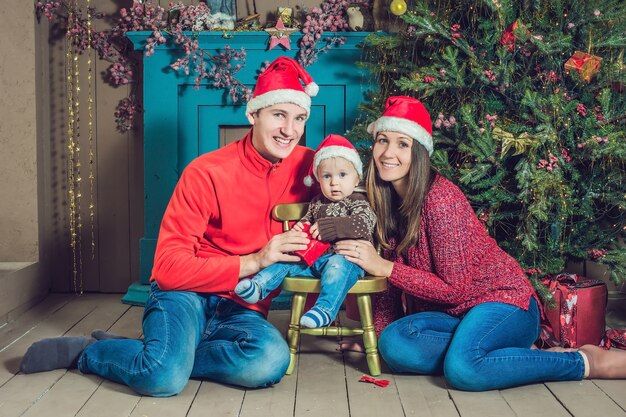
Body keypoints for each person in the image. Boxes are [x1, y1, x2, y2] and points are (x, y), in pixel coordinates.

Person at [19, 56, 321, 396]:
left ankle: (162, 354)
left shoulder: (313, 167)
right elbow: (166, 269)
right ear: (252, 114)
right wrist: (254, 261)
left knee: (269, 361)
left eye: (299, 118)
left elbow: (341, 229)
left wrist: (327, 314)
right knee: (162, 379)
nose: (290, 130)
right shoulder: (206, 172)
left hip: (243, 307)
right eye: (279, 115)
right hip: (185, 295)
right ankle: (89, 353)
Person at [335, 95, 626, 391]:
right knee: (393, 344)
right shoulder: (381, 202)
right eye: (382, 140)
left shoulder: (440, 199)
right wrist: (375, 341)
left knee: (464, 370)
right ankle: (499, 356)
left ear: (419, 152)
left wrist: (384, 267)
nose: (388, 153)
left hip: (503, 303)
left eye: (402, 144)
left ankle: (583, 361)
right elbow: (389, 292)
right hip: (452, 318)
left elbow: (454, 288)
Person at [235, 134, 376, 328]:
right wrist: (300, 228)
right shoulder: (317, 202)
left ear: (356, 177)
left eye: (342, 175)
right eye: (327, 176)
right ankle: (259, 285)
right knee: (286, 261)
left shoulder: (357, 200)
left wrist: (330, 228)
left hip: (346, 260)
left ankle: (325, 309)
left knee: (336, 267)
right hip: (315, 259)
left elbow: (364, 223)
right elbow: (307, 221)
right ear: (318, 179)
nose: (334, 183)